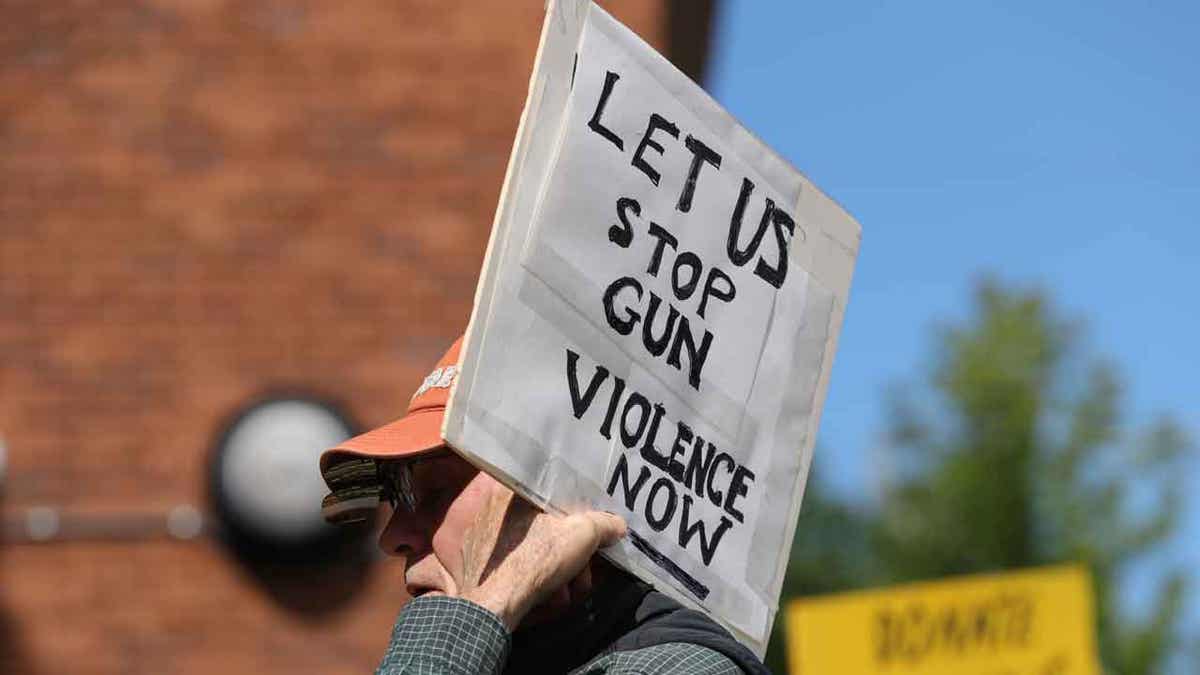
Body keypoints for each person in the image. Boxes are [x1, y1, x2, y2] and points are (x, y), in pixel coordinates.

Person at [319, 337, 770, 675]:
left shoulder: (680, 668)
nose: (392, 535)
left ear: (558, 503)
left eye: (436, 490)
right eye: (399, 497)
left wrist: (476, 615)